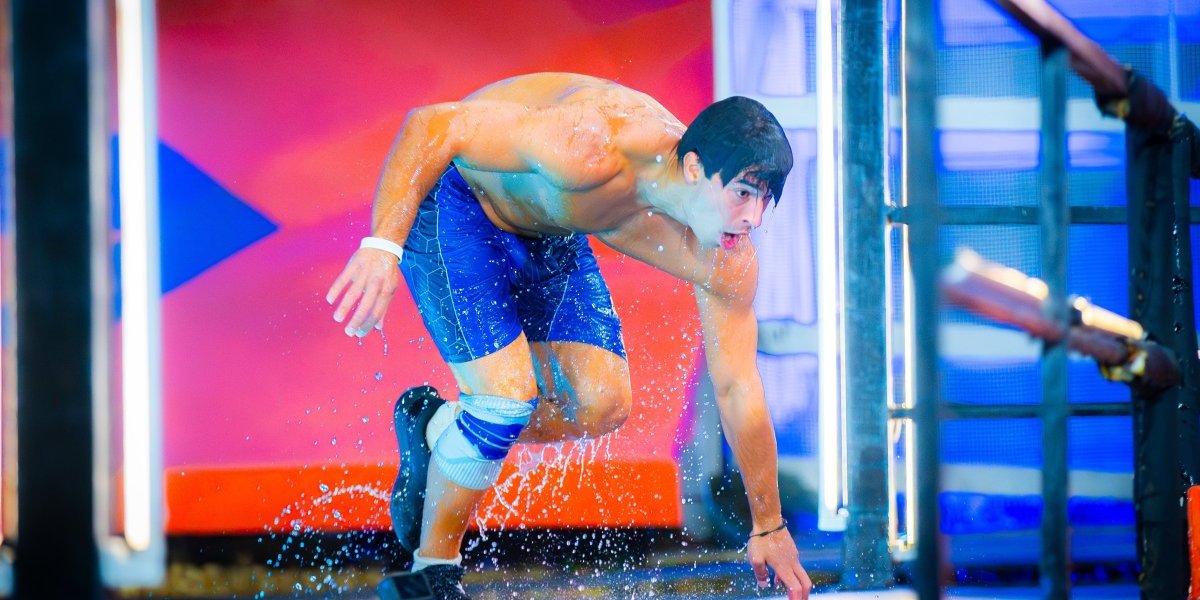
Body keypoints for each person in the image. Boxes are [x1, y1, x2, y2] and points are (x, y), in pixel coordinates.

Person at [325, 72, 810, 600]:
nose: (753, 217)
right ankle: (433, 572)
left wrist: (769, 526)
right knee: (505, 401)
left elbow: (738, 386)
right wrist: (382, 247)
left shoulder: (728, 259)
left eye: (765, 199)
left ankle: (436, 428)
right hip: (460, 202)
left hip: (551, 229)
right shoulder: (592, 143)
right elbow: (432, 126)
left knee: (602, 403)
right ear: (694, 168)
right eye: (742, 193)